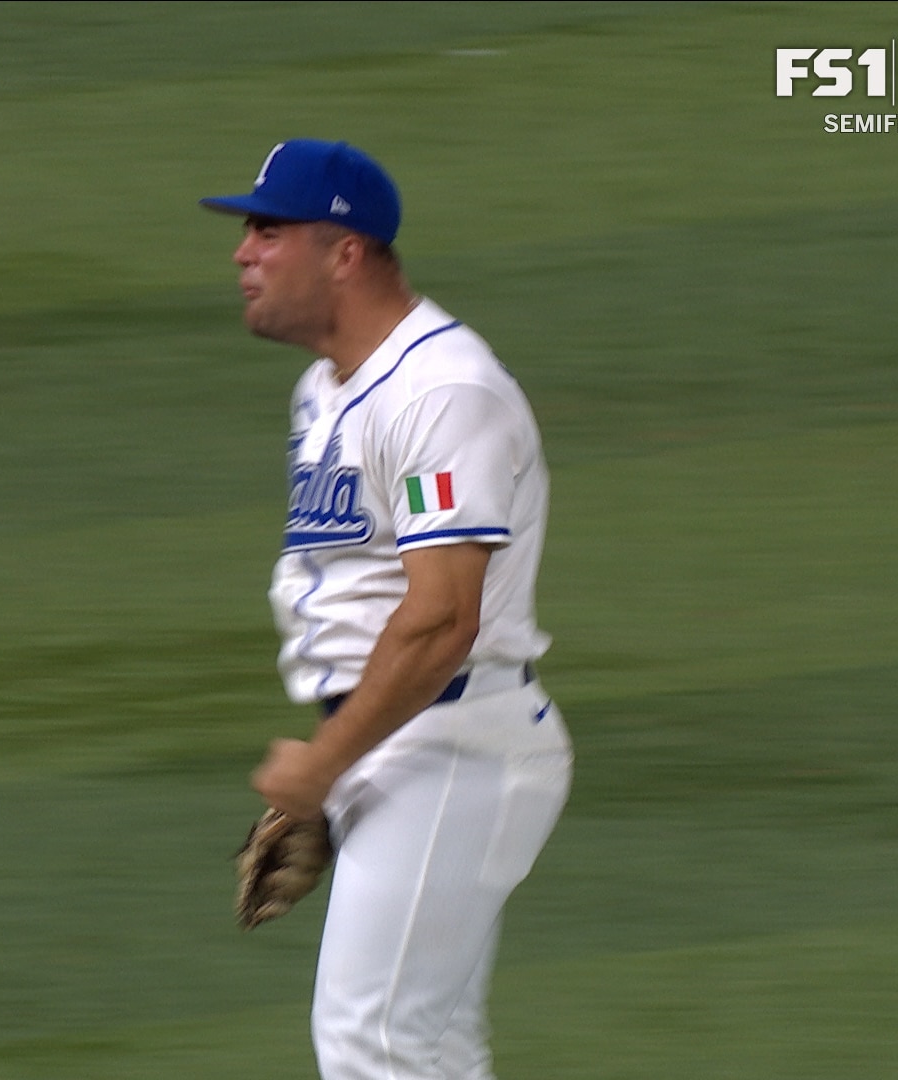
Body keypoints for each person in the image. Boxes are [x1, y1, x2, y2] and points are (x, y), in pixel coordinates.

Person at [201, 139, 574, 1080]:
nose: (243, 253)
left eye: (268, 230)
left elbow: (444, 619)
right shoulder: (325, 388)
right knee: (428, 1049)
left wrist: (320, 767)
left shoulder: (441, 391)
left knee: (373, 1041)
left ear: (346, 251)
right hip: (400, 738)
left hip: (455, 742)